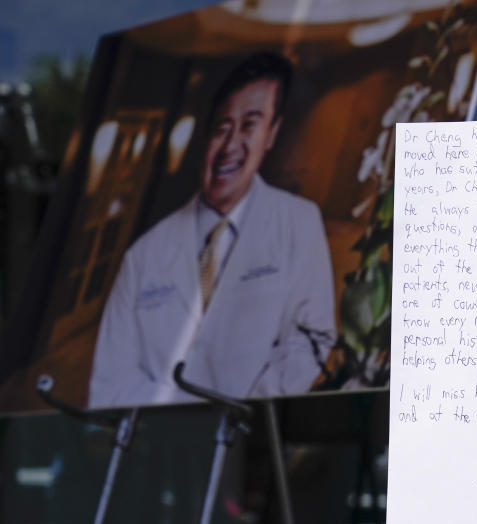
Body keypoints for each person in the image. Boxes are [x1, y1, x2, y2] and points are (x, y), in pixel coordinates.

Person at [89, 52, 336, 408]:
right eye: (222, 127)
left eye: (250, 124)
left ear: (272, 134)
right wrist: (179, 423)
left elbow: (311, 340)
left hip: (253, 442)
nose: (231, 145)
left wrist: (240, 416)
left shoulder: (299, 222)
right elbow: (111, 380)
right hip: (162, 449)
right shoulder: (143, 255)